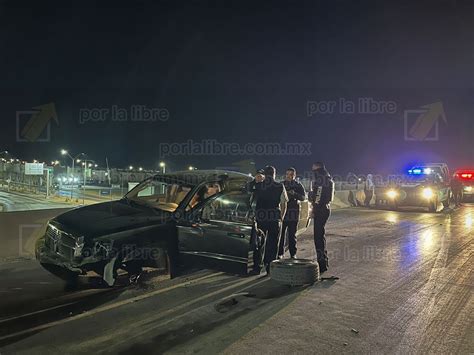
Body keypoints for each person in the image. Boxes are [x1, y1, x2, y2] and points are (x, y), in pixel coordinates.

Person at [252, 166, 288, 274]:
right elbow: (284, 203)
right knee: (272, 243)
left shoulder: (258, 186)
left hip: (260, 217)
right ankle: (270, 267)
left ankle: (257, 267)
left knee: (258, 242)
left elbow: (251, 200)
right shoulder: (279, 186)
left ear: (265, 174)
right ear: (274, 174)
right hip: (274, 217)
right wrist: (281, 216)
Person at [309, 162, 334, 274]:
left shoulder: (320, 180)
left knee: (318, 238)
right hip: (326, 208)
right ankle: (324, 261)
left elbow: (318, 196)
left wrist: (314, 210)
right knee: (321, 236)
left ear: (317, 169)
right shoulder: (328, 178)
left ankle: (322, 264)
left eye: (314, 169)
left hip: (320, 209)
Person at [278, 167, 306, 259]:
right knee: (281, 234)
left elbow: (303, 197)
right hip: (283, 211)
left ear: (294, 175)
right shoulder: (281, 184)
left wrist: (294, 194)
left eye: (291, 175)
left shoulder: (298, 185)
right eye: (287, 174)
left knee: (292, 234)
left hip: (294, 212)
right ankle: (280, 253)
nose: (289, 176)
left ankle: (293, 254)